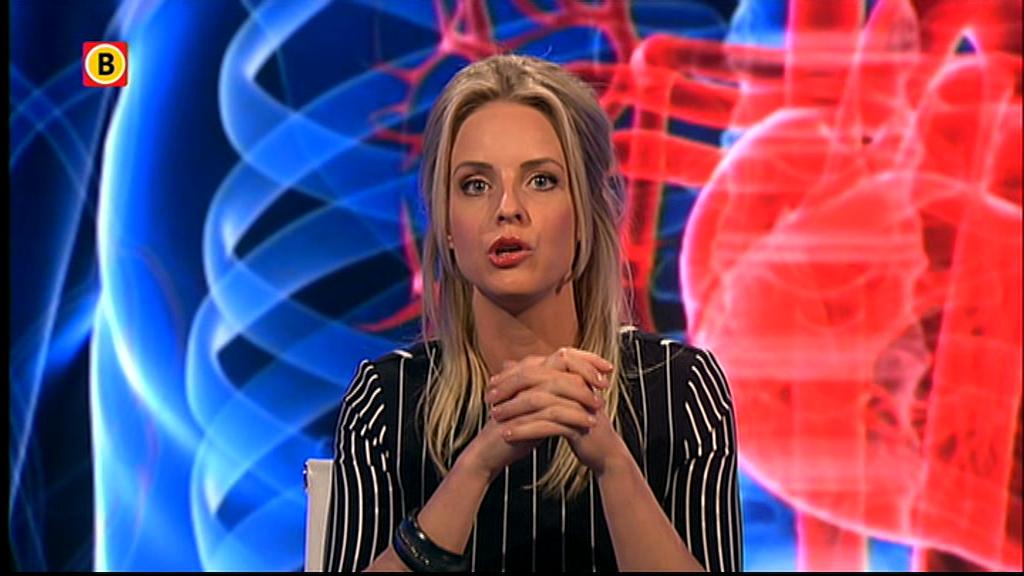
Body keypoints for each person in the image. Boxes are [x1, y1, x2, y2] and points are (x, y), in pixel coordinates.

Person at [324, 54, 742, 572]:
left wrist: (612, 464)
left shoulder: (681, 390)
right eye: (475, 185)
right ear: (447, 227)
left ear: (586, 213)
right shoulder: (386, 403)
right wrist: (476, 466)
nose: (507, 208)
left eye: (541, 180)